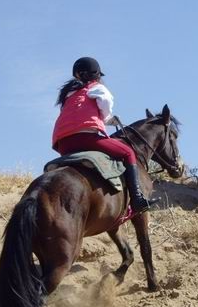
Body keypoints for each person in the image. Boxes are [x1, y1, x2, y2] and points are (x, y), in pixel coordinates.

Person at [52, 56, 158, 214]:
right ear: (96, 75)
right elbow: (106, 104)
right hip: (86, 138)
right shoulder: (97, 88)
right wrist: (109, 119)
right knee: (128, 153)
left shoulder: (69, 95)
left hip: (63, 143)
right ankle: (137, 199)